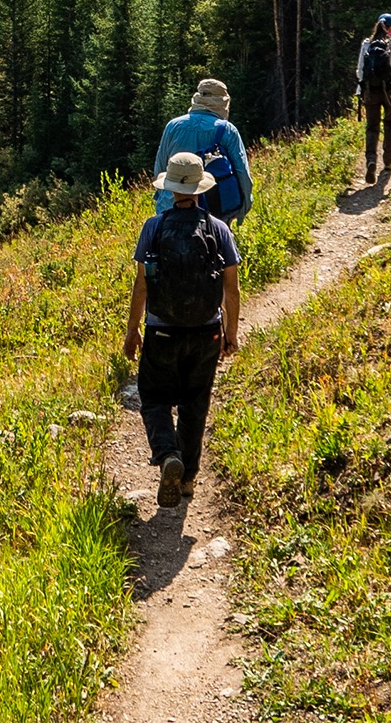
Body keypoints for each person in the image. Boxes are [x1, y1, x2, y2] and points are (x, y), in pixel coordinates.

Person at [123, 151, 241, 507]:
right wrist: (231, 334)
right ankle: (187, 479)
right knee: (195, 403)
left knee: (154, 397)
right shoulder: (218, 229)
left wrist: (132, 331)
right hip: (206, 331)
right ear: (200, 188)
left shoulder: (153, 227)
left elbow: (141, 286)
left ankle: (167, 453)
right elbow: (231, 288)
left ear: (170, 189)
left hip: (161, 331)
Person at [154, 77, 253, 223]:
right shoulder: (227, 130)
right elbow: (242, 173)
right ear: (224, 102)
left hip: (171, 208)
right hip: (214, 211)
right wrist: (242, 210)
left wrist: (161, 198)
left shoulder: (173, 126)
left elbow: (160, 169)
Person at [356, 13, 391, 184]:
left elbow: (360, 71)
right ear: (389, 27)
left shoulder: (366, 44)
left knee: (372, 128)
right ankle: (388, 162)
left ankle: (371, 160)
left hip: (370, 91)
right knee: (389, 124)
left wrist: (361, 91)